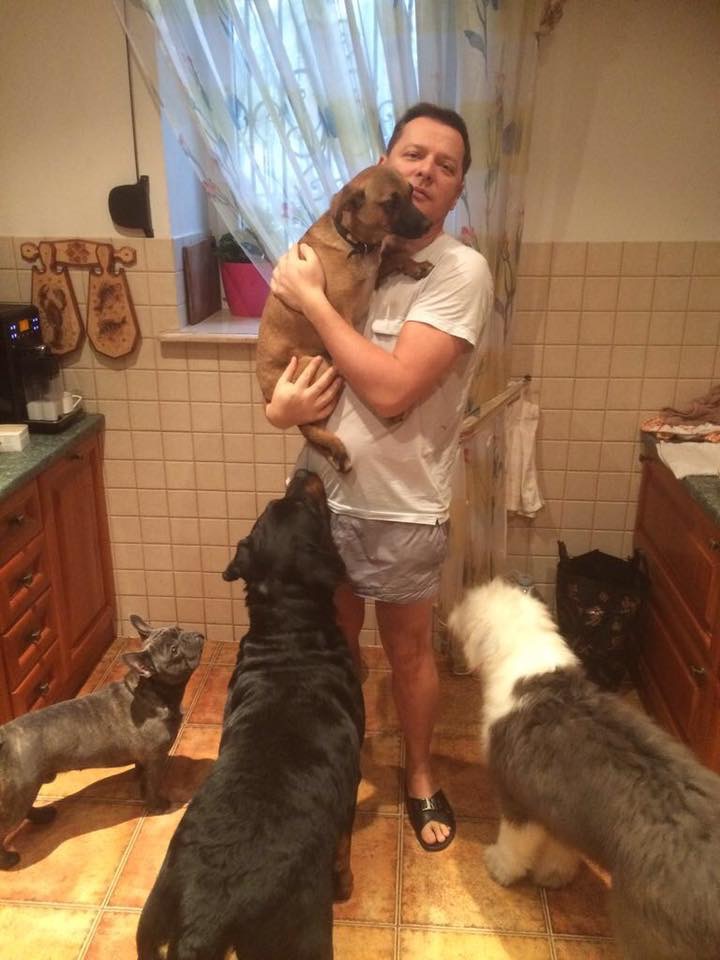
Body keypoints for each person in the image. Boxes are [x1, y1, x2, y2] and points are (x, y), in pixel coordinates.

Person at [265, 102, 493, 852]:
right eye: (413, 155)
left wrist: (311, 298)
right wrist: (280, 410)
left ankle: (420, 775)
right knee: (332, 645)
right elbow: (288, 361)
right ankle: (337, 763)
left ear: (458, 188)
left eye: (446, 165)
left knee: (410, 653)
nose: (426, 172)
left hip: (402, 504)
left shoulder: (459, 271)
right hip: (321, 492)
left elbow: (393, 390)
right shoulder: (344, 249)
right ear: (386, 164)